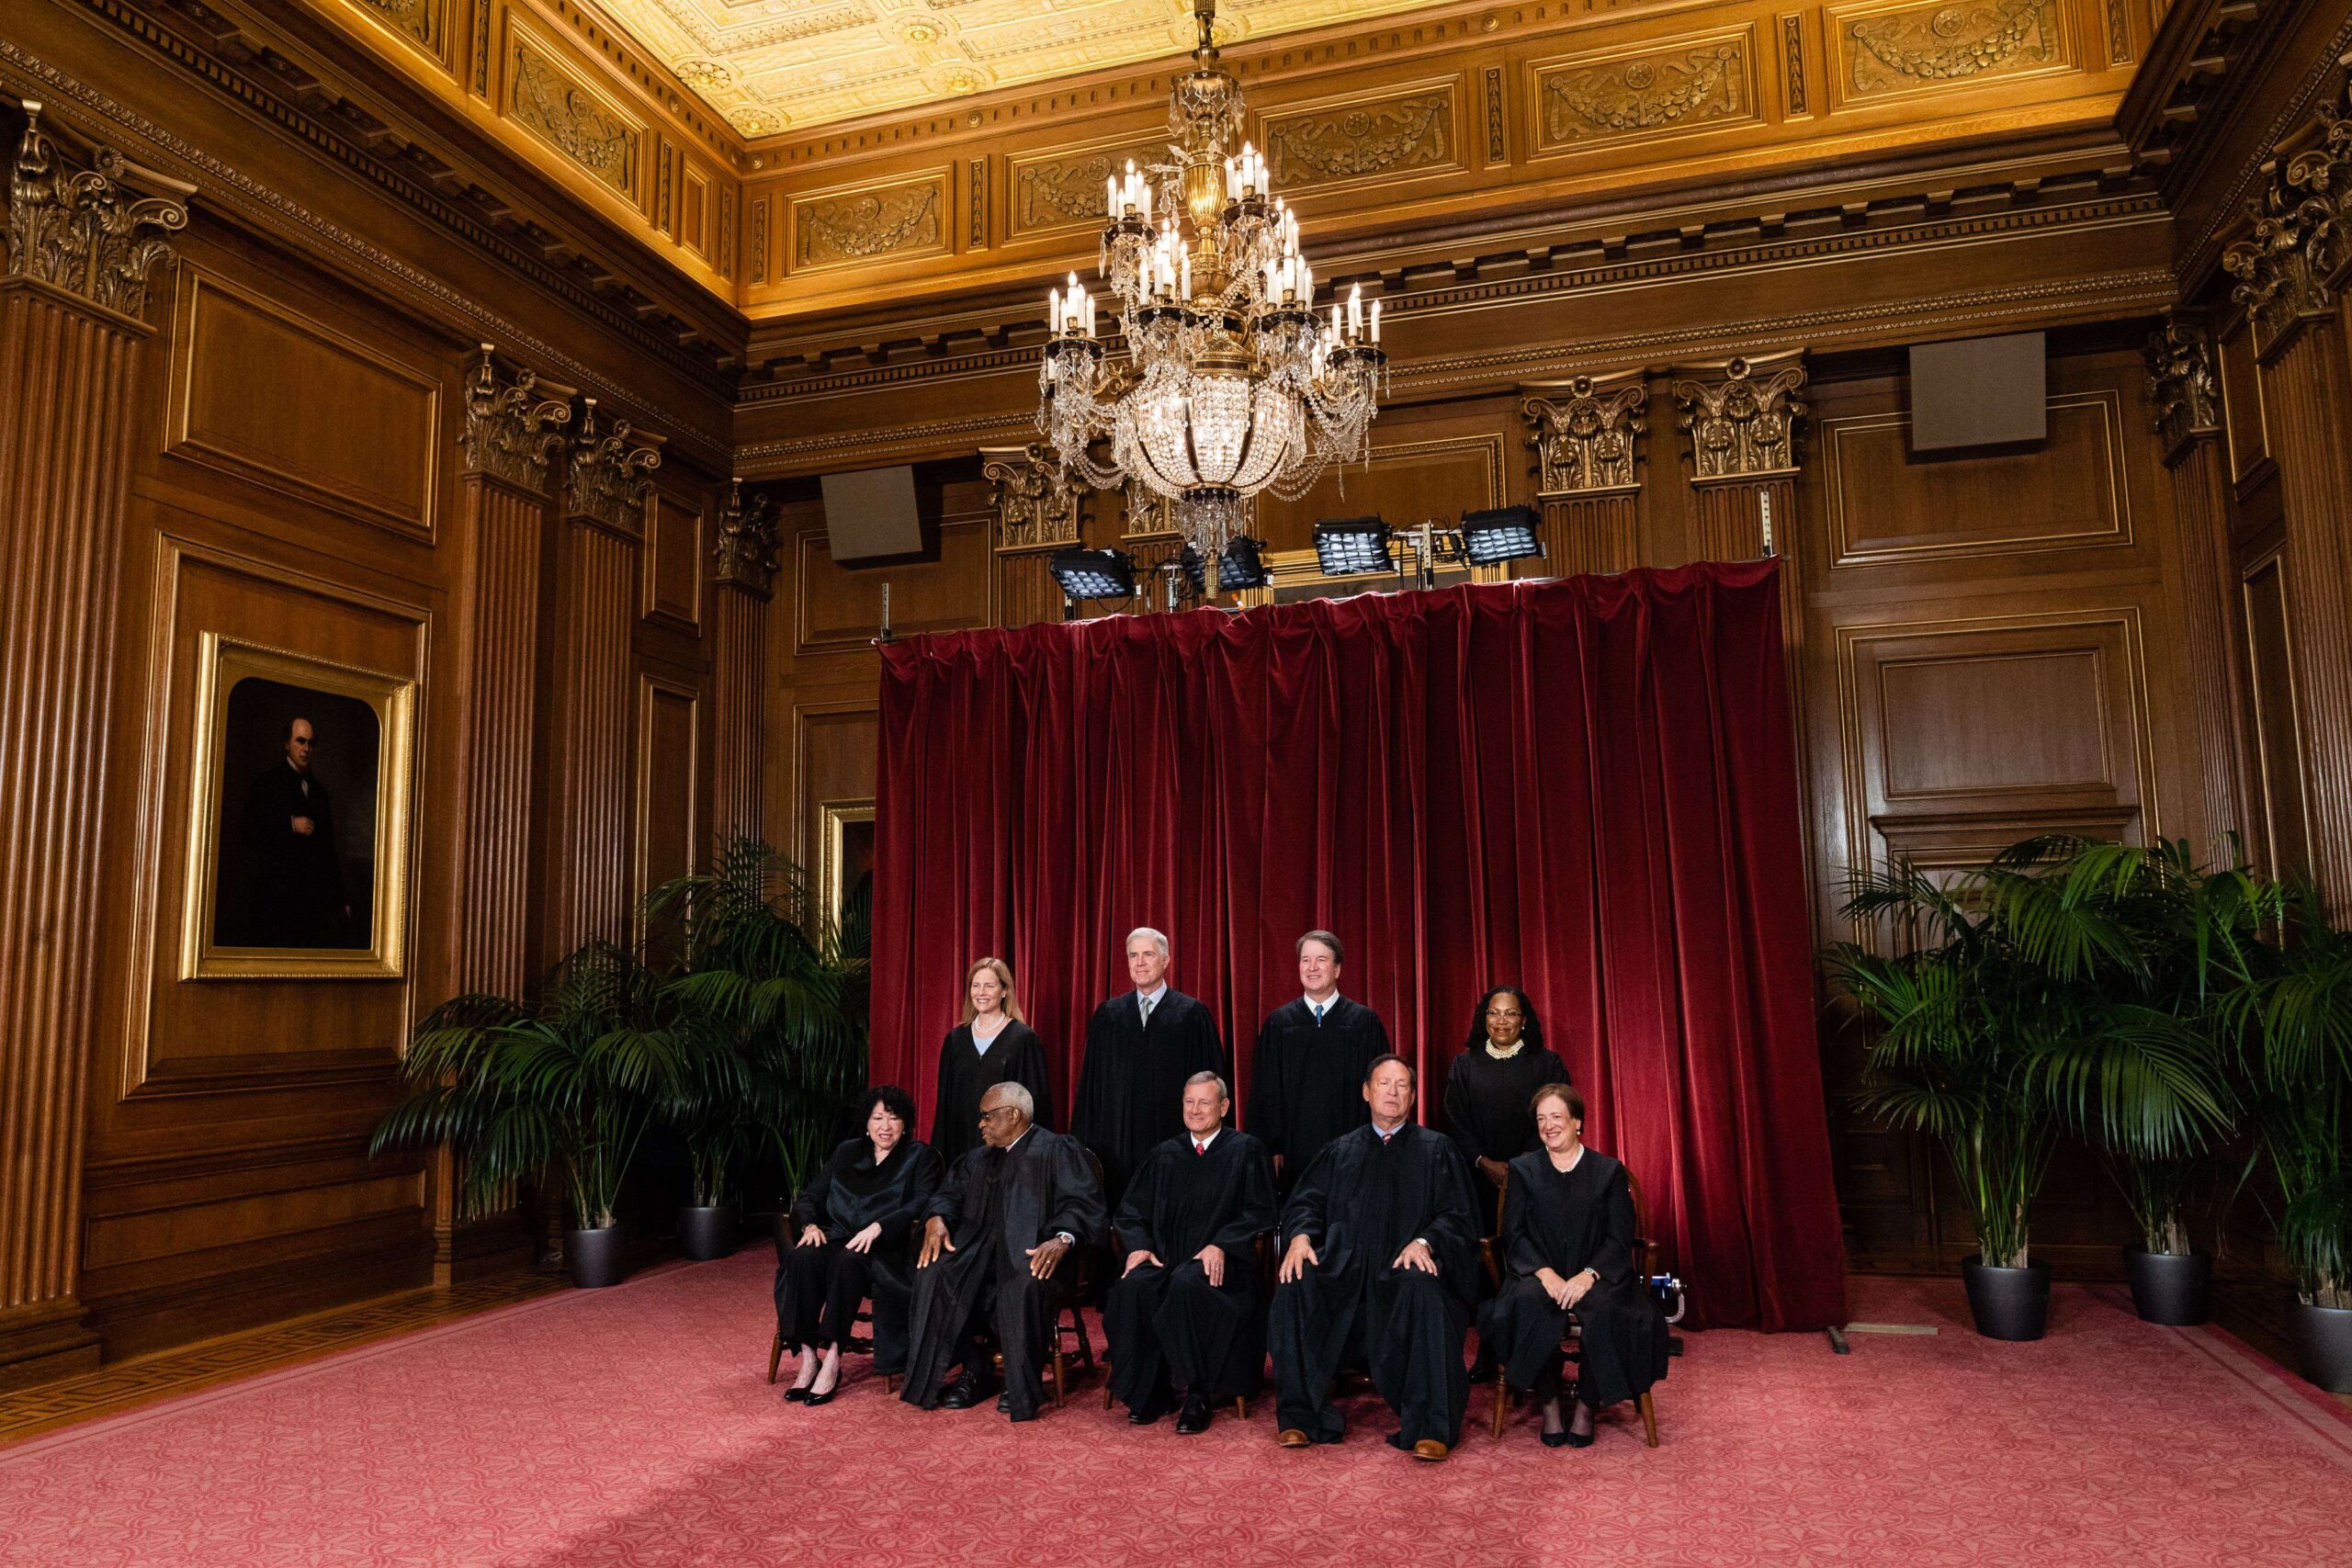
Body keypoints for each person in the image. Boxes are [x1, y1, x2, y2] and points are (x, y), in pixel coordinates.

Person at [1266, 1055, 1478, 1461]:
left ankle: (1430, 1426)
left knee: (1425, 1290)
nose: (1393, 1093)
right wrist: (1299, 1238)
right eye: (1384, 1084)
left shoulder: (1437, 1150)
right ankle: (1298, 1417)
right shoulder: (1339, 1151)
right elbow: (1305, 1203)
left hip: (1402, 1271)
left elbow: (1458, 1216)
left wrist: (1425, 1241)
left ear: (1413, 1096)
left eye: (1402, 1085)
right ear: (1367, 1092)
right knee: (1295, 1285)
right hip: (1342, 1270)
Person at [901, 1081, 1107, 1423]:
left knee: (1023, 1282)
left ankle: (1019, 1381)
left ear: (1013, 1114)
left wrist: (1062, 1240)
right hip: (977, 1252)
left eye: (986, 1117)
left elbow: (1083, 1206)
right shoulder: (977, 1159)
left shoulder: (1057, 1150)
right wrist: (936, 1219)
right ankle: (974, 1366)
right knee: (934, 1274)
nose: (980, 1125)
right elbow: (947, 1194)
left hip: (1034, 1253)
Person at [1478, 1083, 1668, 1449]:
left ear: (1577, 1122)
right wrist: (1545, 1273)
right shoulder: (1523, 1169)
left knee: (1607, 1309)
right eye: (1541, 1119)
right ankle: (1549, 1401)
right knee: (1528, 1303)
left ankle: (1586, 1404)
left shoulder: (1608, 1171)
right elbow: (1514, 1234)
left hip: (1597, 1273)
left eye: (1557, 1117)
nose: (1549, 1126)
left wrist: (1588, 1275)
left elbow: (1618, 1237)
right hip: (1538, 1272)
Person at [1102, 1071, 1276, 1434]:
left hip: (1225, 1268)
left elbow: (1261, 1212)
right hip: (1166, 1258)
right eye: (1189, 1102)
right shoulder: (1164, 1155)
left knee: (1187, 1283)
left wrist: (1223, 1244)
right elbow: (1130, 1212)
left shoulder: (1245, 1150)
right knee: (1135, 1286)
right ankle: (1151, 1392)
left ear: (1224, 1106)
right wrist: (1139, 1248)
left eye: (1205, 1103)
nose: (1196, 1110)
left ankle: (1199, 1393)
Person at [775, 1086, 944, 1405]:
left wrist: (881, 1226)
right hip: (837, 1235)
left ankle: (834, 1356)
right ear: (866, 1122)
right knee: (802, 1258)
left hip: (885, 1247)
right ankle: (810, 1355)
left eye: (893, 1118)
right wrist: (810, 1225)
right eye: (877, 1118)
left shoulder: (919, 1156)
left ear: (905, 1123)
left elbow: (923, 1202)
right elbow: (810, 1195)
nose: (885, 1126)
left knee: (847, 1262)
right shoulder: (847, 1152)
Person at [1071, 927, 1227, 1206]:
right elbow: (1090, 1089)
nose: (1140, 962)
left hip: (1174, 1142)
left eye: (1148, 954)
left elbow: (1211, 1086)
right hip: (1116, 1146)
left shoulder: (1191, 1015)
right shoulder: (1108, 1016)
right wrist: (1082, 1144)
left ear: (1165, 960)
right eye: (1133, 956)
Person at [1247, 931, 1391, 1190]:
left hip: (1354, 1145)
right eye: (1305, 960)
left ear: (1336, 969)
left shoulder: (1364, 1023)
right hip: (1294, 1149)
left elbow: (1382, 1086)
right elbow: (1265, 1091)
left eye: (1321, 960)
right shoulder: (1279, 1024)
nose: (1312, 968)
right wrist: (1272, 1146)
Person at [1442, 986, 1571, 1228]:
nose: (1501, 1020)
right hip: (1477, 1179)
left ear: (1523, 1020)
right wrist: (1483, 1162)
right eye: (1494, 1012)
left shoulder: (1547, 1064)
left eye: (1510, 1013)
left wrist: (1523, 1164)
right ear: (1484, 1018)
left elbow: (1560, 1115)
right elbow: (1455, 1120)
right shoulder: (1464, 1065)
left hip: (1538, 1174)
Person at [232, 716, 354, 947]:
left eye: (310, 743)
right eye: (300, 741)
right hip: (275, 897)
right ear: (287, 744)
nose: (306, 748)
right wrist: (289, 824)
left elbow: (329, 851)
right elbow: (249, 830)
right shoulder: (266, 783)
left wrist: (340, 900)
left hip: (311, 901)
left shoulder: (320, 792)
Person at [931, 958, 1053, 1165]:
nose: (981, 992)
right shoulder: (955, 1040)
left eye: (989, 986)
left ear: (1004, 991)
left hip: (1008, 1153)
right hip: (961, 1148)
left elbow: (1036, 1104)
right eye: (976, 986)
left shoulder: (1023, 1039)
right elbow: (944, 1104)